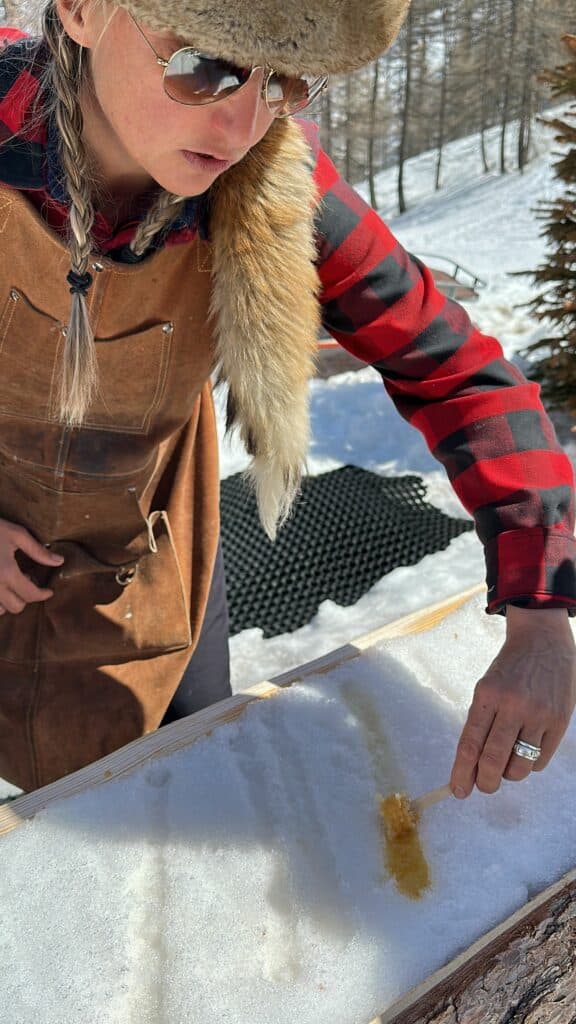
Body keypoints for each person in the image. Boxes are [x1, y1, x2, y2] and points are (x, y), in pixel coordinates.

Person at [0, 0, 574, 797]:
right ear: (84, 11)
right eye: (203, 66)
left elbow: (458, 371)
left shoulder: (276, 184)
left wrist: (543, 617)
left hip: (152, 560)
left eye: (286, 82)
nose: (242, 129)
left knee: (175, 800)